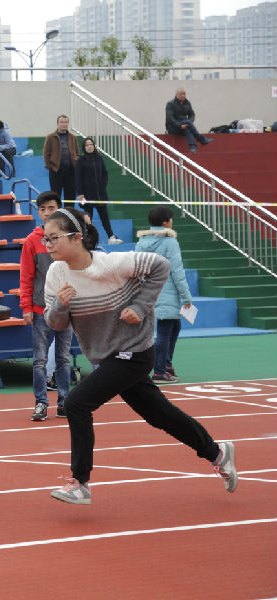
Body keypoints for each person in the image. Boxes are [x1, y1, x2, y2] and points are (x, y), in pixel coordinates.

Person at [42, 206, 236, 504]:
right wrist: (61, 306)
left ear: (77, 237)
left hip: (135, 350)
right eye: (46, 239)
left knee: (78, 403)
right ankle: (217, 452)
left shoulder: (112, 263)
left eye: (54, 238)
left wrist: (142, 307)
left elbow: (161, 266)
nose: (48, 245)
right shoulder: (56, 273)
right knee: (159, 415)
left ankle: (80, 483)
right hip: (107, 357)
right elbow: (55, 323)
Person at [19, 191, 72, 422]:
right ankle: (41, 403)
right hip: (40, 311)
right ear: (38, 212)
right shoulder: (32, 241)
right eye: (43, 209)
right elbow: (26, 276)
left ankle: (64, 402)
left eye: (52, 208)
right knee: (39, 360)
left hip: (66, 310)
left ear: (59, 210)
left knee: (63, 358)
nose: (47, 212)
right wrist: (26, 307)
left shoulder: (70, 238)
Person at [134, 205, 193, 384]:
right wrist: (186, 296)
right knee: (166, 331)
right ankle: (159, 370)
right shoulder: (170, 242)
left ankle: (166, 365)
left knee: (173, 327)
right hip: (167, 292)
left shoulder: (142, 241)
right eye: (171, 219)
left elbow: (136, 266)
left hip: (149, 291)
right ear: (166, 222)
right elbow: (177, 270)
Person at [75, 136, 122, 245]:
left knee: (105, 217)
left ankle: (111, 236)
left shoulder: (99, 158)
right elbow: (78, 178)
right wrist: (80, 194)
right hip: (87, 195)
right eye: (87, 145)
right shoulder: (81, 160)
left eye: (91, 144)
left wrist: (103, 184)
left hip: (100, 194)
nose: (89, 147)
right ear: (84, 147)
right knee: (88, 218)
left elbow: (105, 173)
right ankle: (86, 238)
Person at [42, 115, 79, 205]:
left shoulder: (73, 137)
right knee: (55, 196)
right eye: (62, 122)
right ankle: (57, 217)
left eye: (66, 122)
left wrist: (76, 163)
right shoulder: (50, 137)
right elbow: (46, 154)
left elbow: (77, 153)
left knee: (70, 196)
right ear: (58, 124)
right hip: (56, 171)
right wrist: (50, 166)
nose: (64, 124)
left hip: (71, 172)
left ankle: (69, 217)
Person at [165, 88, 213, 154]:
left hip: (185, 125)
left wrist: (189, 123)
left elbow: (192, 114)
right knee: (188, 123)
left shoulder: (187, 103)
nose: (183, 95)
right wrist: (179, 125)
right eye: (181, 94)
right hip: (172, 127)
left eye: (184, 94)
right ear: (176, 95)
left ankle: (192, 147)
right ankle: (201, 139)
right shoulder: (170, 104)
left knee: (188, 129)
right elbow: (169, 118)